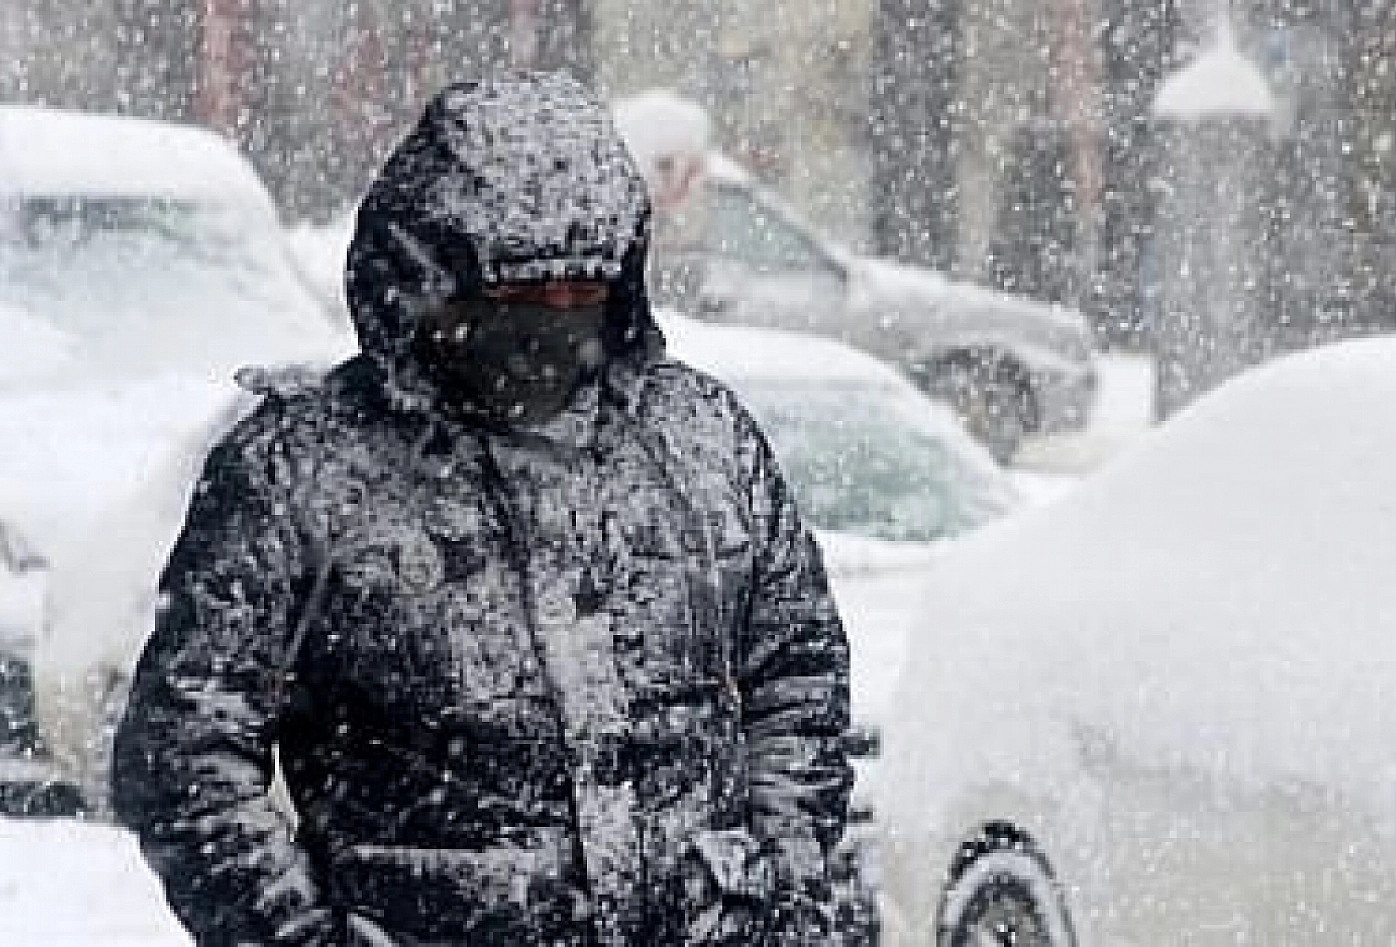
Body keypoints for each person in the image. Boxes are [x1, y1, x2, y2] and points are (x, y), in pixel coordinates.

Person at [111, 72, 852, 946]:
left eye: (583, 297)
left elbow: (798, 673)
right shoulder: (303, 472)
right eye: (518, 303)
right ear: (427, 281)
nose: (554, 330)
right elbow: (185, 752)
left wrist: (777, 878)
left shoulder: (702, 442)